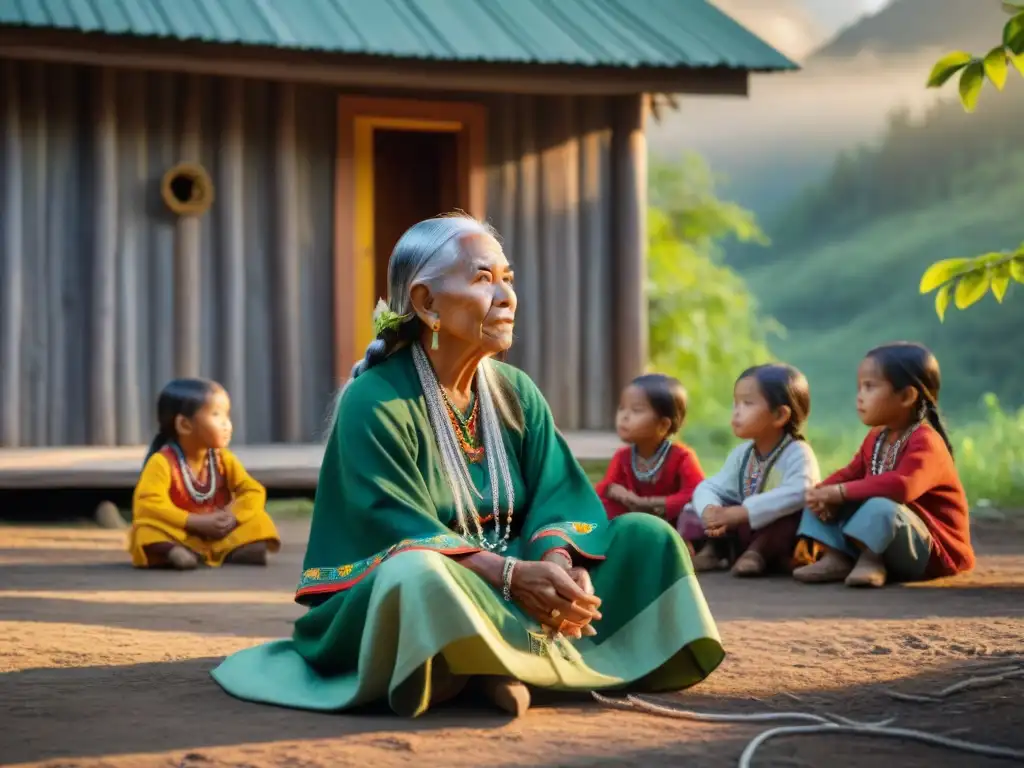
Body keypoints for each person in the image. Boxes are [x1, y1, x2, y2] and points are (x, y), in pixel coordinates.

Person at [211, 214, 724, 718]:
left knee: (646, 537)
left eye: (508, 279)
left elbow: (558, 492)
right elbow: (390, 526)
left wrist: (559, 569)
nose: (506, 296)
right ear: (426, 303)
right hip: (429, 584)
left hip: (520, 568)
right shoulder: (374, 399)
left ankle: (487, 666)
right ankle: (490, 666)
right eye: (484, 278)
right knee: (419, 574)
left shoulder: (516, 392)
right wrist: (508, 576)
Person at [794, 342, 974, 588]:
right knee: (816, 498)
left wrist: (840, 492)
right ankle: (836, 557)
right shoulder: (876, 438)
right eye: (859, 387)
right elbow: (850, 474)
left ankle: (872, 559)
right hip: (887, 536)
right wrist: (821, 492)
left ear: (906, 396)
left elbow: (903, 487)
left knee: (881, 506)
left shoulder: (926, 441)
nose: (859, 397)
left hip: (929, 553)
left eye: (869, 387)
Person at [130, 378, 281, 570]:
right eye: (217, 415)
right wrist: (193, 521)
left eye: (227, 416)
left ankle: (231, 549)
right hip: (181, 532)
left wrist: (233, 516)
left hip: (220, 530)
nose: (227, 424)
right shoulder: (162, 462)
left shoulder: (223, 459)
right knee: (146, 530)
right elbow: (148, 504)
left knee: (260, 520)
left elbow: (253, 490)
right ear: (184, 424)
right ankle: (174, 551)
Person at [691, 364, 820, 577]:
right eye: (735, 403)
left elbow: (801, 491)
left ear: (780, 415)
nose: (736, 412)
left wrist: (744, 512)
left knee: (789, 516)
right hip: (745, 527)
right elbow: (713, 485)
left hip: (778, 535)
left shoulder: (798, 453)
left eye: (747, 404)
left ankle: (756, 554)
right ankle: (714, 551)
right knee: (696, 508)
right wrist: (710, 509)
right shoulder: (742, 453)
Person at [595, 374, 705, 551]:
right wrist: (615, 492)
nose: (624, 417)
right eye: (622, 408)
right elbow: (606, 489)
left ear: (663, 425)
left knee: (694, 510)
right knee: (603, 506)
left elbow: (696, 492)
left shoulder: (682, 456)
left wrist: (645, 502)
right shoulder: (623, 457)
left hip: (674, 525)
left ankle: (683, 548)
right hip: (641, 522)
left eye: (636, 410)